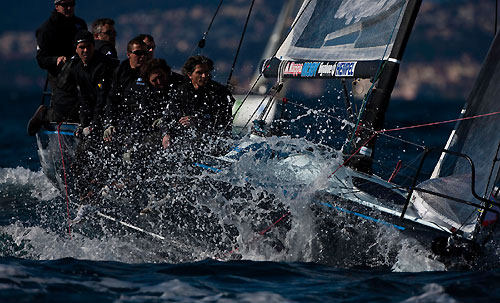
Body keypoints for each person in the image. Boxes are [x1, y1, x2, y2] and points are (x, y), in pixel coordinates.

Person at [160, 55, 234, 149]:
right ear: (190, 75)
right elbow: (167, 117)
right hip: (186, 140)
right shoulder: (181, 92)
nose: (204, 76)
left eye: (206, 72)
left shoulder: (220, 93)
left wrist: (198, 121)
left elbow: (224, 124)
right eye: (199, 73)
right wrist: (166, 134)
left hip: (212, 141)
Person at [103, 38, 149, 141]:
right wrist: (110, 123)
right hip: (124, 118)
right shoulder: (120, 72)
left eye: (145, 53)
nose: (142, 57)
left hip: (144, 119)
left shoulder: (151, 71)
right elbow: (112, 99)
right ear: (129, 54)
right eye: (138, 53)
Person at [36, 0, 87, 91]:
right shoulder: (46, 30)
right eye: (65, 5)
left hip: (82, 73)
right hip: (60, 77)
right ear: (57, 7)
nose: (69, 8)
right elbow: (41, 59)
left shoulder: (80, 24)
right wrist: (56, 59)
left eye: (72, 4)